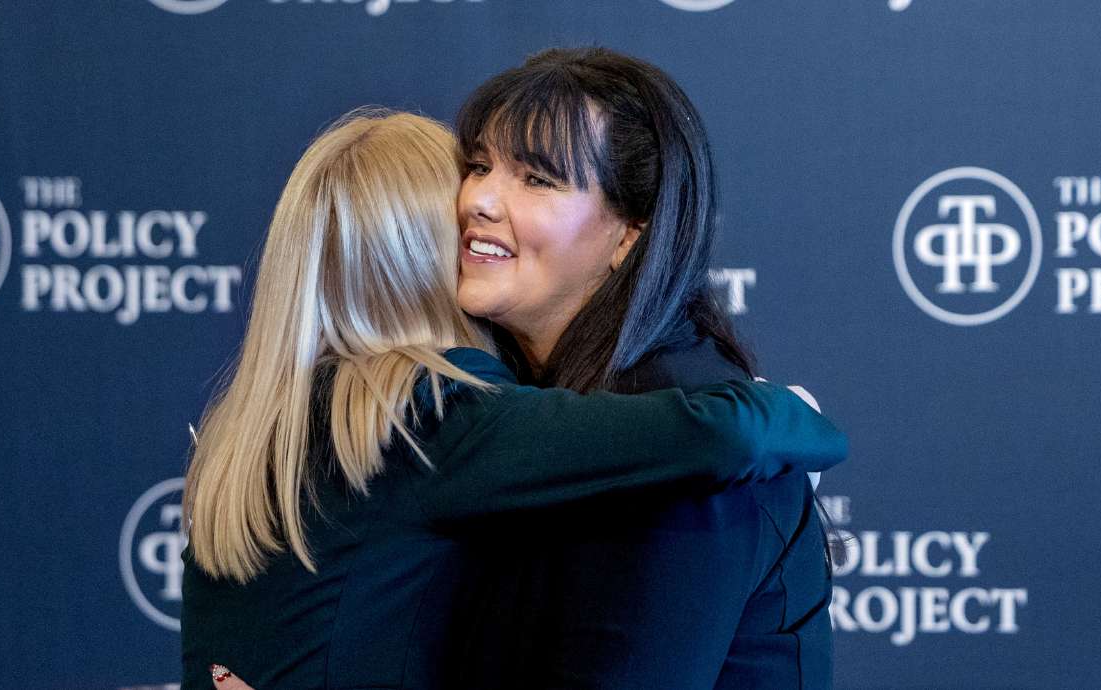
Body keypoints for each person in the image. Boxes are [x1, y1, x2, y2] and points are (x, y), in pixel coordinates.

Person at [179, 109, 845, 689]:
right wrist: (786, 411)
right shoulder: (428, 411)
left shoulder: (251, 431)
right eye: (472, 203)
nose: (489, 213)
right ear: (435, 252)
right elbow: (722, 436)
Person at [448, 47, 842, 688]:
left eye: (537, 179)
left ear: (629, 235)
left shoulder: (680, 451)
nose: (480, 200)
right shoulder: (526, 405)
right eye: (480, 166)